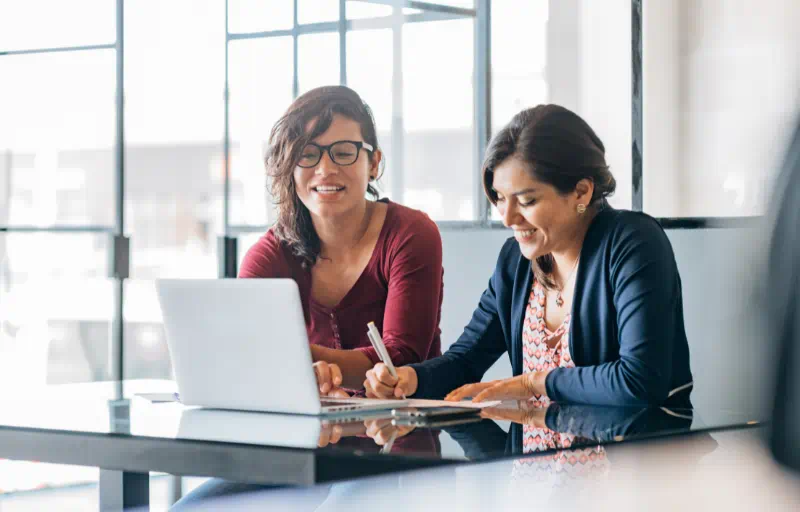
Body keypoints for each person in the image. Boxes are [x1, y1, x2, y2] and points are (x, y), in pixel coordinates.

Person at [364, 104, 693, 407]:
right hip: (530, 466)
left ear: (581, 191)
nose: (508, 218)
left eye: (527, 200)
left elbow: (638, 380)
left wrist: (534, 383)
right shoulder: (516, 261)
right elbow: (465, 361)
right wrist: (412, 378)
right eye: (500, 198)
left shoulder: (633, 243)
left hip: (636, 465)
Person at [239, 85, 444, 396]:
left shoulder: (411, 234)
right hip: (311, 436)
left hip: (405, 432)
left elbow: (400, 358)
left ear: (373, 163)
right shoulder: (268, 255)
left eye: (344, 152)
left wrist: (297, 362)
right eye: (307, 154)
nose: (325, 169)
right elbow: (246, 354)